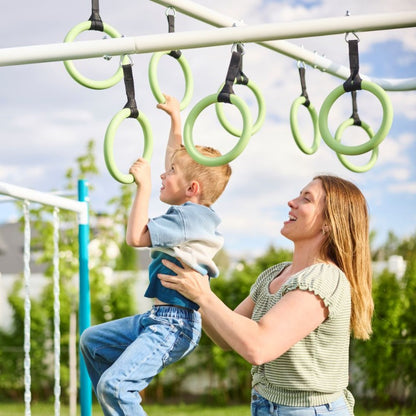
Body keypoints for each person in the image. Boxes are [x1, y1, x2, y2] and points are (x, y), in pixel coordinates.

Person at [158, 175, 374, 416]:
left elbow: (259, 347)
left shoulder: (324, 278)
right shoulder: (275, 273)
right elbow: (225, 338)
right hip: (266, 405)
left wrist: (205, 296)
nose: (292, 202)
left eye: (306, 198)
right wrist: (193, 292)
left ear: (329, 223)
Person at [80, 94, 232, 416]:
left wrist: (144, 188)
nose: (164, 173)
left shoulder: (188, 218)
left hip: (174, 324)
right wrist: (176, 119)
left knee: (114, 386)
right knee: (92, 341)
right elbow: (175, 159)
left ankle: (122, 394)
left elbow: (135, 237)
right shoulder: (191, 213)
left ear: (191, 188)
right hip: (156, 319)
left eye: (171, 172)